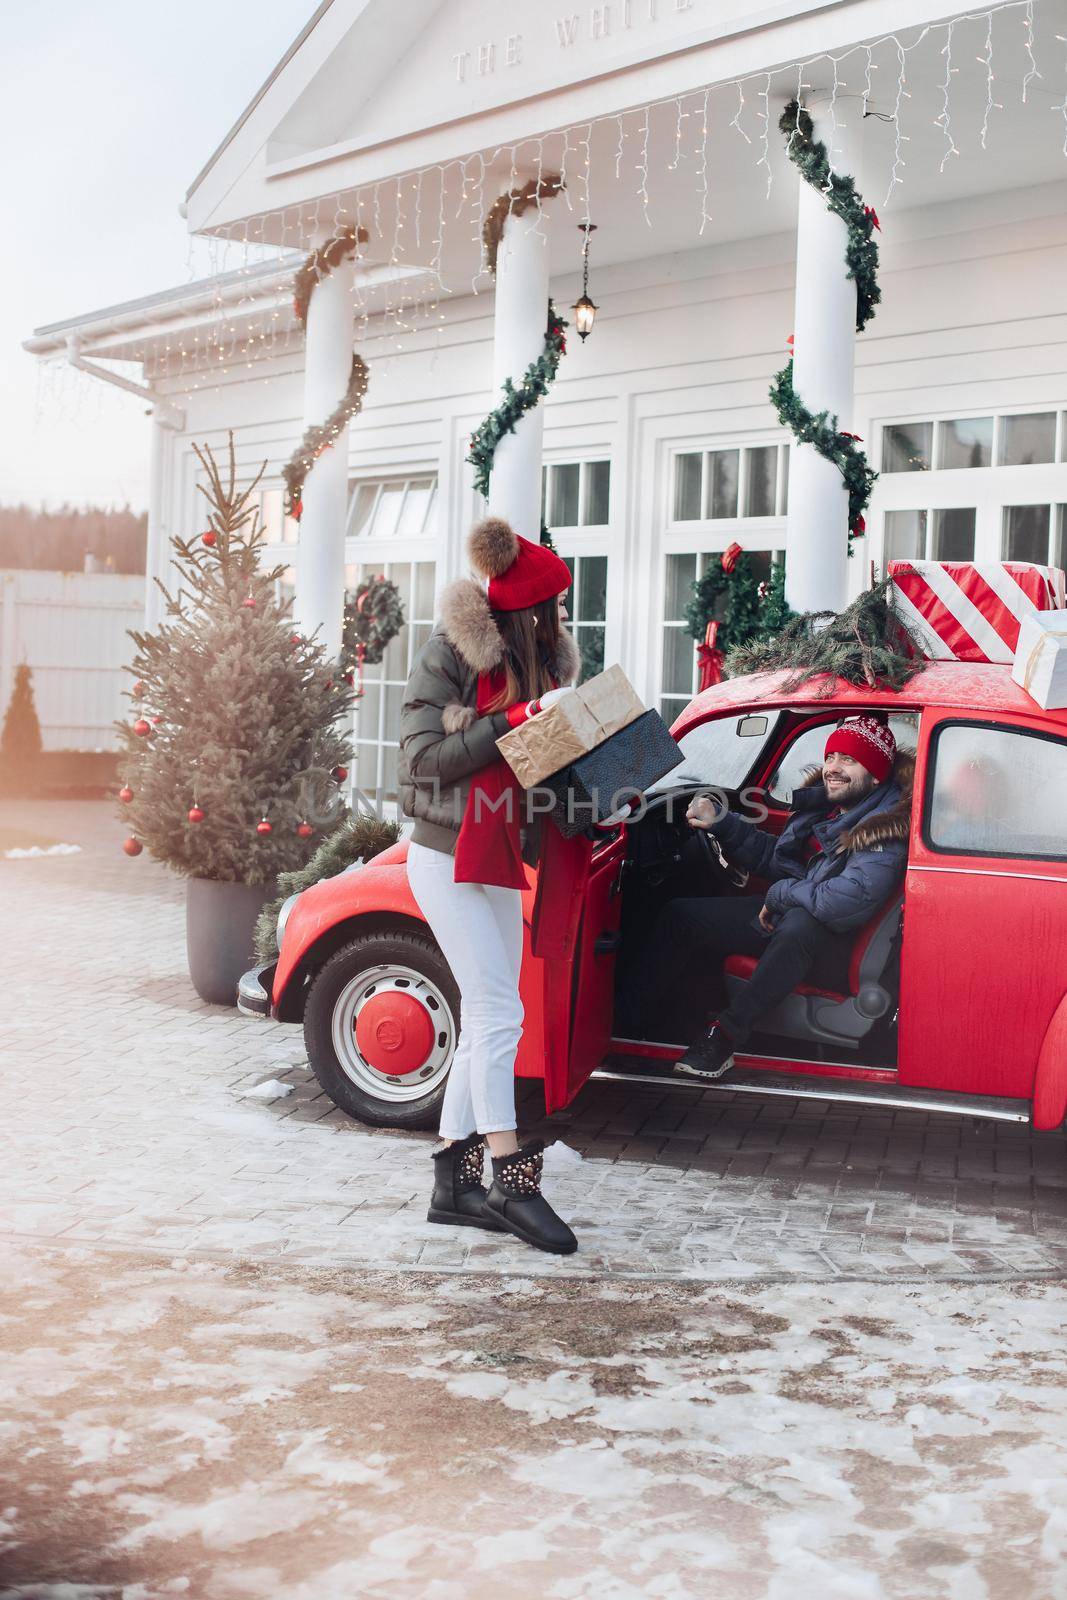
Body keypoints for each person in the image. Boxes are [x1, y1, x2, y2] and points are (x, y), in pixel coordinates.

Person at [398, 516, 580, 1255]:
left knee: (487, 1015)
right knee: (501, 1012)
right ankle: (507, 1171)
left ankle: (453, 1183)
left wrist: (608, 772)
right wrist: (513, 717)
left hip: (502, 851)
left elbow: (536, 774)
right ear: (526, 609)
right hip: (444, 854)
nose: (560, 619)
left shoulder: (543, 665)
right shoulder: (451, 652)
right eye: (552, 608)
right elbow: (422, 758)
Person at [638, 715, 913, 1080]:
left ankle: (724, 1036)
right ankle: (633, 1024)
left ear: (877, 774)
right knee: (681, 916)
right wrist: (723, 823)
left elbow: (843, 902)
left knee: (801, 923)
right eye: (831, 756)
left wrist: (780, 895)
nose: (833, 768)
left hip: (836, 942)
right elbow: (780, 859)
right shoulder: (830, 806)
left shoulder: (881, 829)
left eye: (849, 760)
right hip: (795, 917)